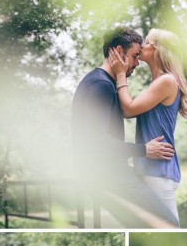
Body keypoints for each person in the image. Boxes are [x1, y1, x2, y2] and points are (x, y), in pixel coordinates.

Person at [70, 27, 180, 228]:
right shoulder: (100, 86)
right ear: (119, 52)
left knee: (146, 229)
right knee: (168, 225)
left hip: (107, 174)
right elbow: (96, 141)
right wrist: (144, 150)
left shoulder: (100, 83)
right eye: (135, 56)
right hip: (110, 177)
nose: (137, 63)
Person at [108, 28, 187, 226]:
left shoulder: (166, 82)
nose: (142, 46)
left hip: (159, 170)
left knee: (169, 229)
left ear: (157, 49)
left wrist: (121, 75)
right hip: (150, 167)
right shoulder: (158, 82)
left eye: (146, 42)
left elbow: (128, 110)